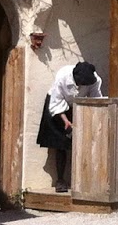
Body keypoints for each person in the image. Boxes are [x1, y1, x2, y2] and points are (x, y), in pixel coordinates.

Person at [37, 60, 101, 193]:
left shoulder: (95, 80)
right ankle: (60, 180)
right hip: (58, 107)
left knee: (86, 141)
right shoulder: (62, 76)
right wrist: (66, 121)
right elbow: (57, 102)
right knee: (61, 143)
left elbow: (96, 99)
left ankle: (85, 179)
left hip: (78, 105)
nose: (82, 85)